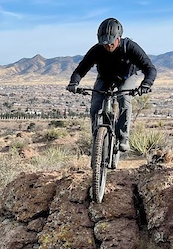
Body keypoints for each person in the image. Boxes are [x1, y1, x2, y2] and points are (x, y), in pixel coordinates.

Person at [66, 18, 156, 152]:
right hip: (105, 77)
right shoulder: (97, 50)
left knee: (124, 99)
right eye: (104, 44)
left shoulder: (130, 47)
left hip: (127, 77)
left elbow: (150, 68)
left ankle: (123, 137)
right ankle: (97, 139)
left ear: (118, 38)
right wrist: (74, 82)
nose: (108, 46)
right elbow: (81, 69)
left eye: (111, 43)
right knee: (96, 104)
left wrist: (146, 84)